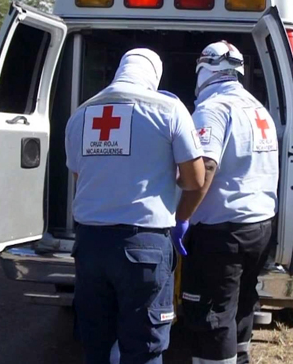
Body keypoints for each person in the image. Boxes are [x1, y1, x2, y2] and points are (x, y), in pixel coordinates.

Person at [65, 48, 205, 364]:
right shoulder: (169, 109)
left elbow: (80, 175)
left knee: (95, 342)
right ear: (153, 76)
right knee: (143, 347)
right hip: (145, 246)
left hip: (89, 244)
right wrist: (162, 180)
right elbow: (195, 179)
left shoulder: (81, 113)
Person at [177, 41, 279, 364]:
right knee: (241, 304)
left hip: (223, 234)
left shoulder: (212, 108)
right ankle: (242, 358)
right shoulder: (256, 107)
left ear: (204, 70)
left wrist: (182, 218)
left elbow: (204, 167)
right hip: (260, 227)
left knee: (213, 317)